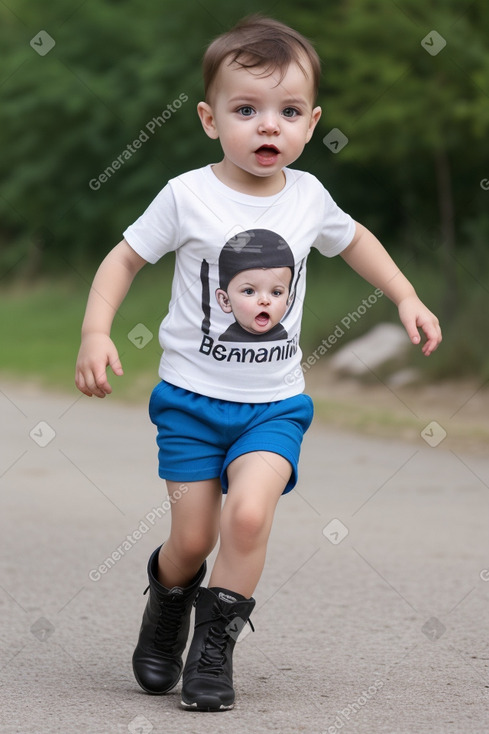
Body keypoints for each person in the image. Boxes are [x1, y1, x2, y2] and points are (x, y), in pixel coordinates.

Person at [75, 14, 441, 713]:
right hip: (189, 402)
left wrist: (404, 295)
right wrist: (97, 332)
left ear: (311, 123)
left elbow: (355, 239)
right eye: (247, 110)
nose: (267, 126)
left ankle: (213, 652)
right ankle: (167, 599)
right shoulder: (187, 195)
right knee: (191, 539)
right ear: (211, 119)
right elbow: (123, 258)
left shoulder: (308, 198)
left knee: (247, 519)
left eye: (288, 111)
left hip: (273, 405)